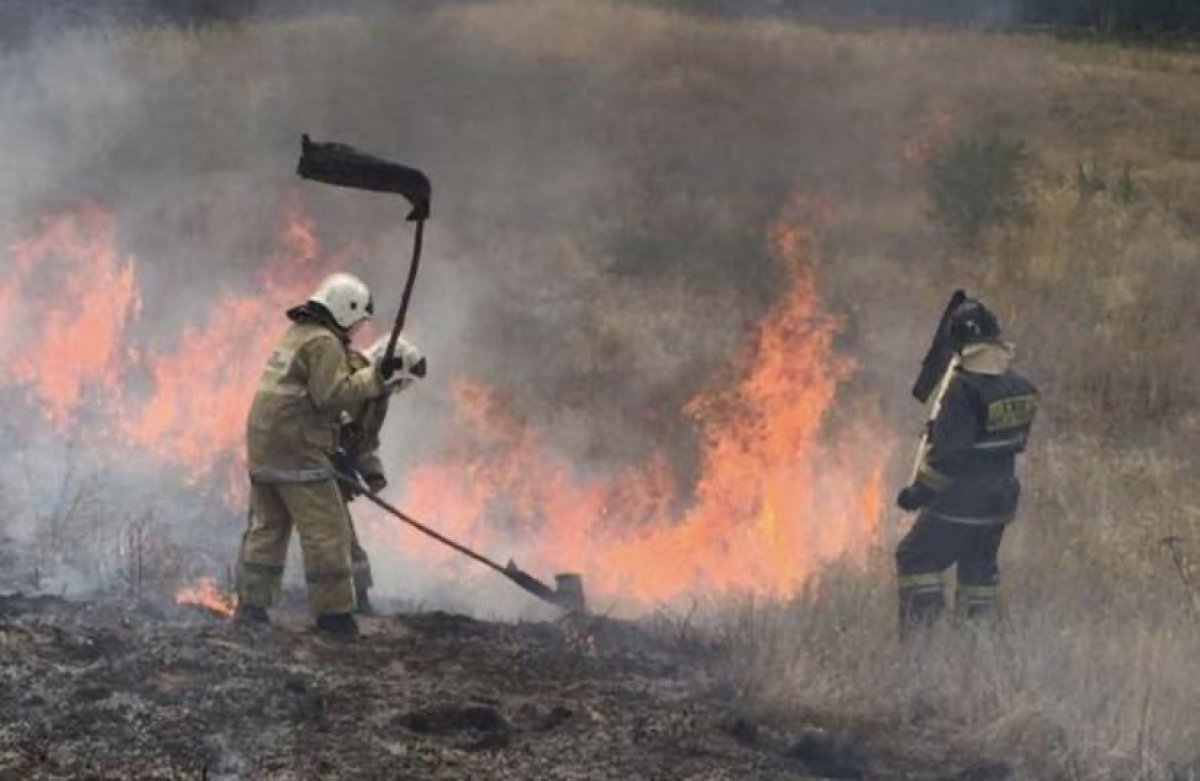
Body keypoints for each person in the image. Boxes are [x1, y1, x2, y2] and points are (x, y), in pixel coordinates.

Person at [232, 272, 410, 638]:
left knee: (267, 529)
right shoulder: (323, 343)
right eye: (357, 321)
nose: (356, 331)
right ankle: (334, 617)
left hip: (265, 448)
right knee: (327, 531)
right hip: (299, 450)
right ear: (346, 310)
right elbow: (332, 395)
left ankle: (251, 609)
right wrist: (376, 378)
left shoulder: (296, 336)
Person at [894, 297, 1038, 632]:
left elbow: (949, 458)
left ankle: (923, 640)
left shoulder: (963, 391)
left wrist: (920, 492)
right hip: (1001, 500)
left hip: (961, 501)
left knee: (916, 558)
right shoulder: (1020, 387)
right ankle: (978, 639)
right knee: (978, 573)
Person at [334, 336, 425, 615]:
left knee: (344, 537)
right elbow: (324, 411)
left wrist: (373, 473)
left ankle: (358, 599)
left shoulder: (379, 399)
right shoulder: (346, 372)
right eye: (400, 382)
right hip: (315, 462)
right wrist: (335, 454)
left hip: (335, 470)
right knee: (331, 536)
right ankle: (338, 606)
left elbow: (366, 442)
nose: (397, 389)